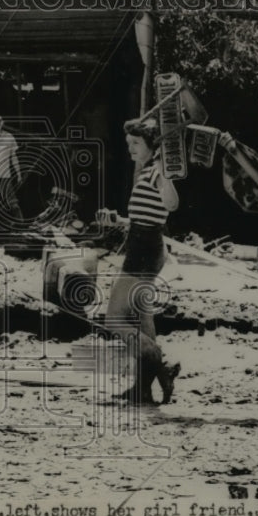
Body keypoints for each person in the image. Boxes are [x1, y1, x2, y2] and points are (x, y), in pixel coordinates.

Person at [105, 117, 181, 404]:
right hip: (145, 245)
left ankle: (164, 364)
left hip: (143, 251)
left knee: (114, 319)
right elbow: (149, 215)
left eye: (136, 144)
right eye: (129, 144)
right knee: (141, 322)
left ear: (152, 145)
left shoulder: (156, 171)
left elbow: (172, 204)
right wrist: (119, 220)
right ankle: (143, 389)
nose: (131, 149)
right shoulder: (148, 171)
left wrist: (165, 179)